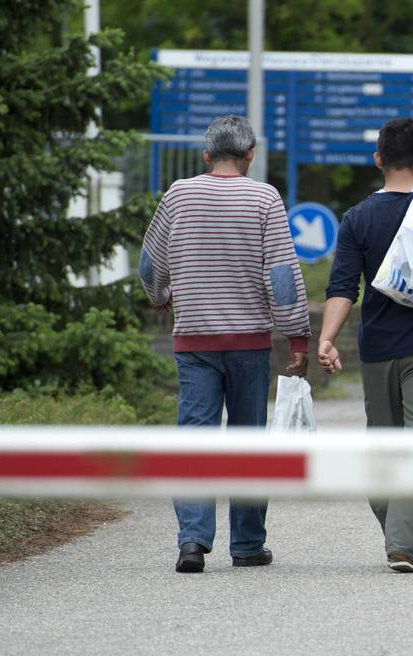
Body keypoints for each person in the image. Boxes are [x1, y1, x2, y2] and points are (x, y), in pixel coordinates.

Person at [140, 114, 310, 574]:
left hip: (194, 338)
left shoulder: (178, 193)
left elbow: (150, 260)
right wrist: (297, 335)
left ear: (206, 154)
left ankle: (192, 541)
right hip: (248, 341)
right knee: (248, 441)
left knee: (195, 438)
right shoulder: (264, 197)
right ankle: (248, 544)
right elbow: (281, 275)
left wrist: (162, 296)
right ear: (250, 154)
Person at [317, 118, 413, 573]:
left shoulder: (357, 218)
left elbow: (343, 288)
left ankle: (401, 535)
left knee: (384, 445)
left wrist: (327, 338)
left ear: (378, 160)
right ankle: (403, 537)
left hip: (378, 348)